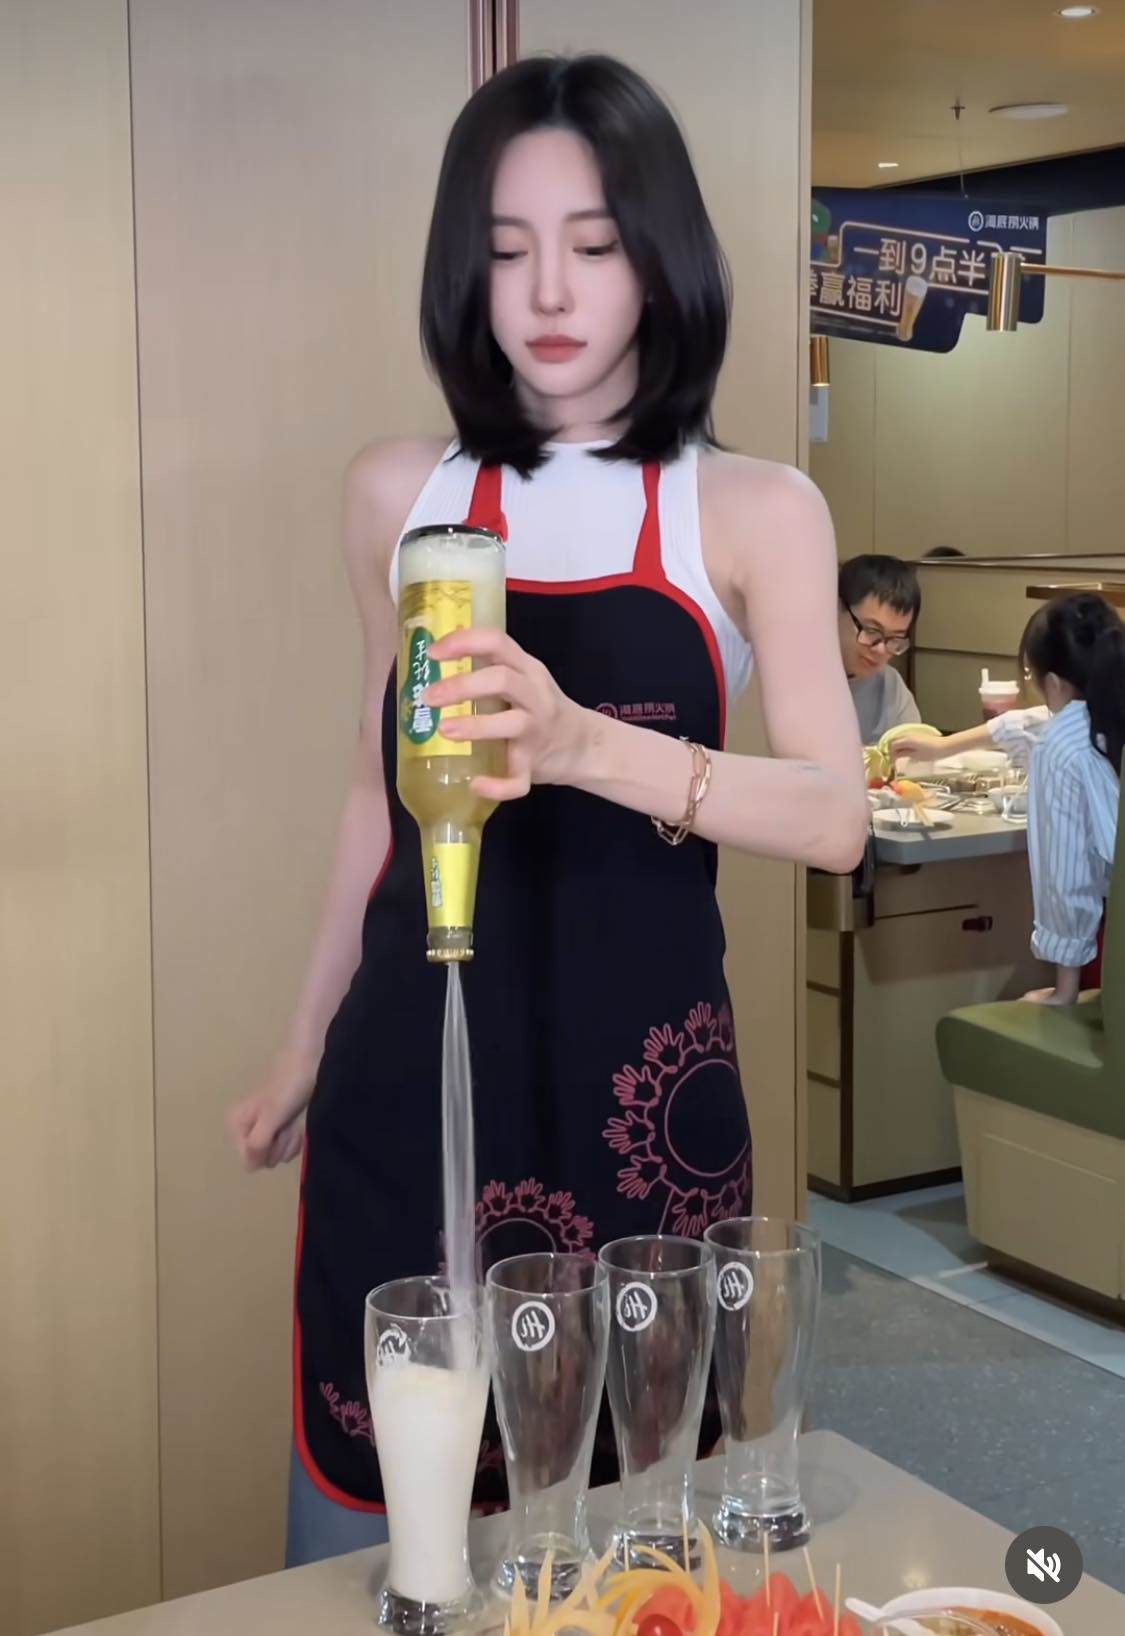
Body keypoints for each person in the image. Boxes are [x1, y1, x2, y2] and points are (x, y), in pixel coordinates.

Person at [226, 53, 866, 1566]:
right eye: (509, 251)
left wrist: (583, 746)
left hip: (642, 1107)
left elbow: (834, 816)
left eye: (594, 244)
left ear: (661, 256)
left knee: (635, 1537)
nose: (551, 292)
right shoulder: (402, 495)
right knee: (397, 1530)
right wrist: (304, 1044)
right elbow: (376, 790)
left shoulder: (750, 510)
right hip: (418, 1077)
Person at [894, 593, 1123, 1006]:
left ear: (1053, 682)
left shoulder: (1060, 747)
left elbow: (1066, 877)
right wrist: (942, 747)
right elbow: (1032, 722)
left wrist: (1064, 992)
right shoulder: (1106, 714)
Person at [838, 554, 922, 744]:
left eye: (895, 639)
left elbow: (914, 755)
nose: (881, 650)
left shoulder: (890, 686)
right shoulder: (793, 682)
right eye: (871, 630)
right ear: (836, 609)